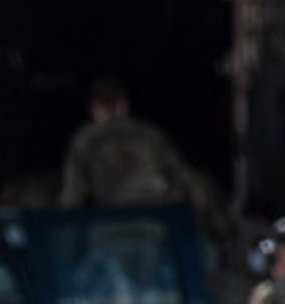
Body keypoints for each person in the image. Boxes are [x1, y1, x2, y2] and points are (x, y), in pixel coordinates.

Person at [59, 75, 196, 208]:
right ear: (123, 104)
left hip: (113, 221)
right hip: (156, 219)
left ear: (94, 106)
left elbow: (72, 195)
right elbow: (183, 178)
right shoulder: (149, 134)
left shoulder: (85, 139)